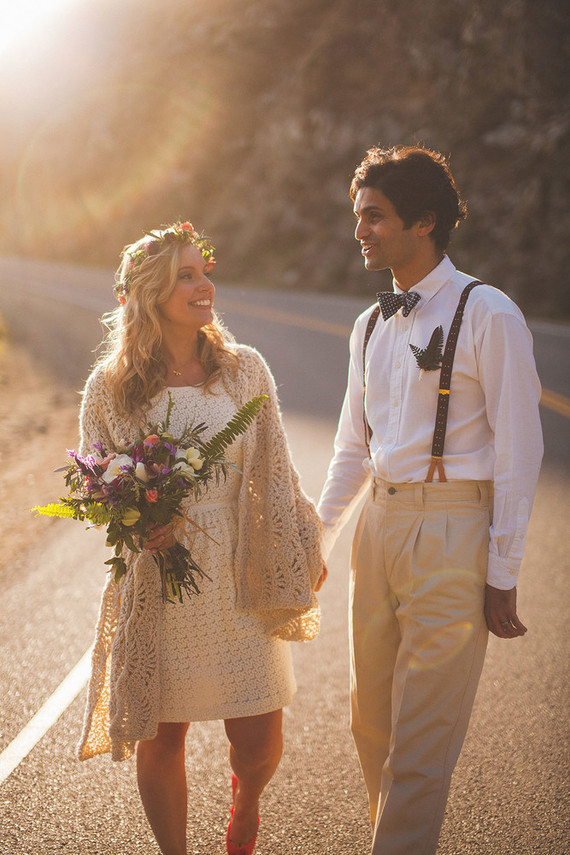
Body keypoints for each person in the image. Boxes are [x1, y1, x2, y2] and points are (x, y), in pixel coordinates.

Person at [317, 145, 543, 854]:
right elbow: (353, 446)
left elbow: (520, 449)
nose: (360, 231)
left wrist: (501, 569)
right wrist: (316, 537)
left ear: (424, 222)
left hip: (452, 530)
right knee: (370, 723)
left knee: (420, 744)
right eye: (358, 217)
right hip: (377, 528)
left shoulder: (489, 313)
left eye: (374, 217)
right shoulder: (368, 325)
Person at [76, 221, 325, 855]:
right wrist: (133, 521)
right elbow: (93, 482)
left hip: (244, 567)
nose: (204, 285)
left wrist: (301, 540)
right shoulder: (109, 387)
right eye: (186, 276)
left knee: (259, 740)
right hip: (160, 578)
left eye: (204, 271)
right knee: (163, 739)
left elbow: (278, 468)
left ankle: (246, 807)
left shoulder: (245, 371)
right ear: (149, 294)